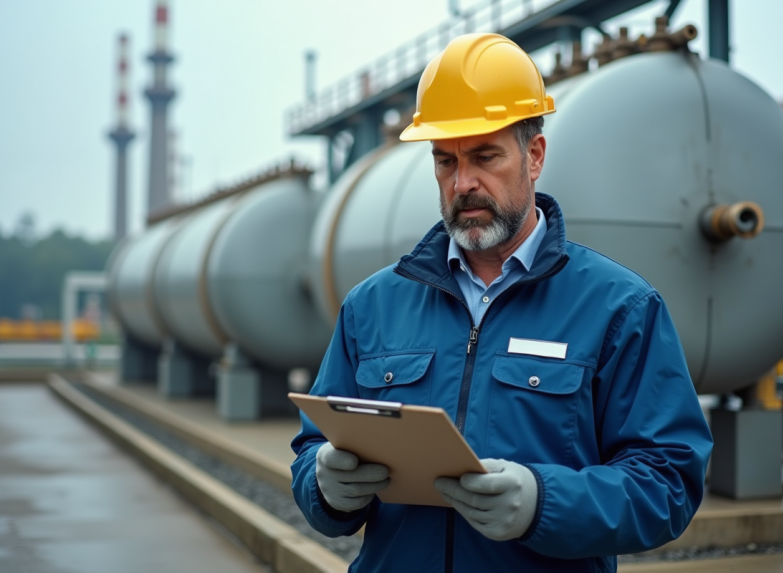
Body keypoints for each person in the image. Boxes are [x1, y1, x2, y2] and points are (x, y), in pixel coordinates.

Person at [291, 33, 712, 572]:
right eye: (445, 161)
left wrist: (545, 501)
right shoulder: (372, 306)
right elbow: (313, 450)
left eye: (485, 156)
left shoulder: (620, 308)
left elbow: (669, 482)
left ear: (534, 156)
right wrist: (324, 485)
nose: (463, 182)